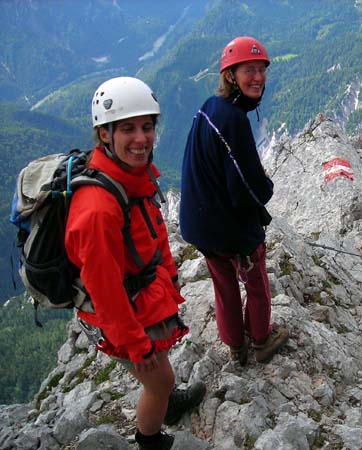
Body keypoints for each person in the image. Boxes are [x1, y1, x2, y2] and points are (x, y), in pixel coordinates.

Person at [66, 77, 205, 450]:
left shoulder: (131, 175)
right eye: (128, 128)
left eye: (147, 126)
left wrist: (169, 275)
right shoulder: (97, 207)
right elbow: (104, 289)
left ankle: (165, 401)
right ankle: (150, 440)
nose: (141, 138)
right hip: (121, 313)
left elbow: (150, 227)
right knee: (158, 379)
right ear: (104, 135)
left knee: (159, 374)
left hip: (141, 294)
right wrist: (136, 347)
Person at [180, 36, 289, 366]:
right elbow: (248, 188)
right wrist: (266, 187)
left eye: (261, 70)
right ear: (231, 75)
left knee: (224, 284)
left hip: (200, 223)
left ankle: (235, 347)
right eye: (249, 70)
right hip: (226, 227)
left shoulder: (210, 108)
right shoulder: (233, 120)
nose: (258, 77)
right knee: (255, 281)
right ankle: (261, 340)